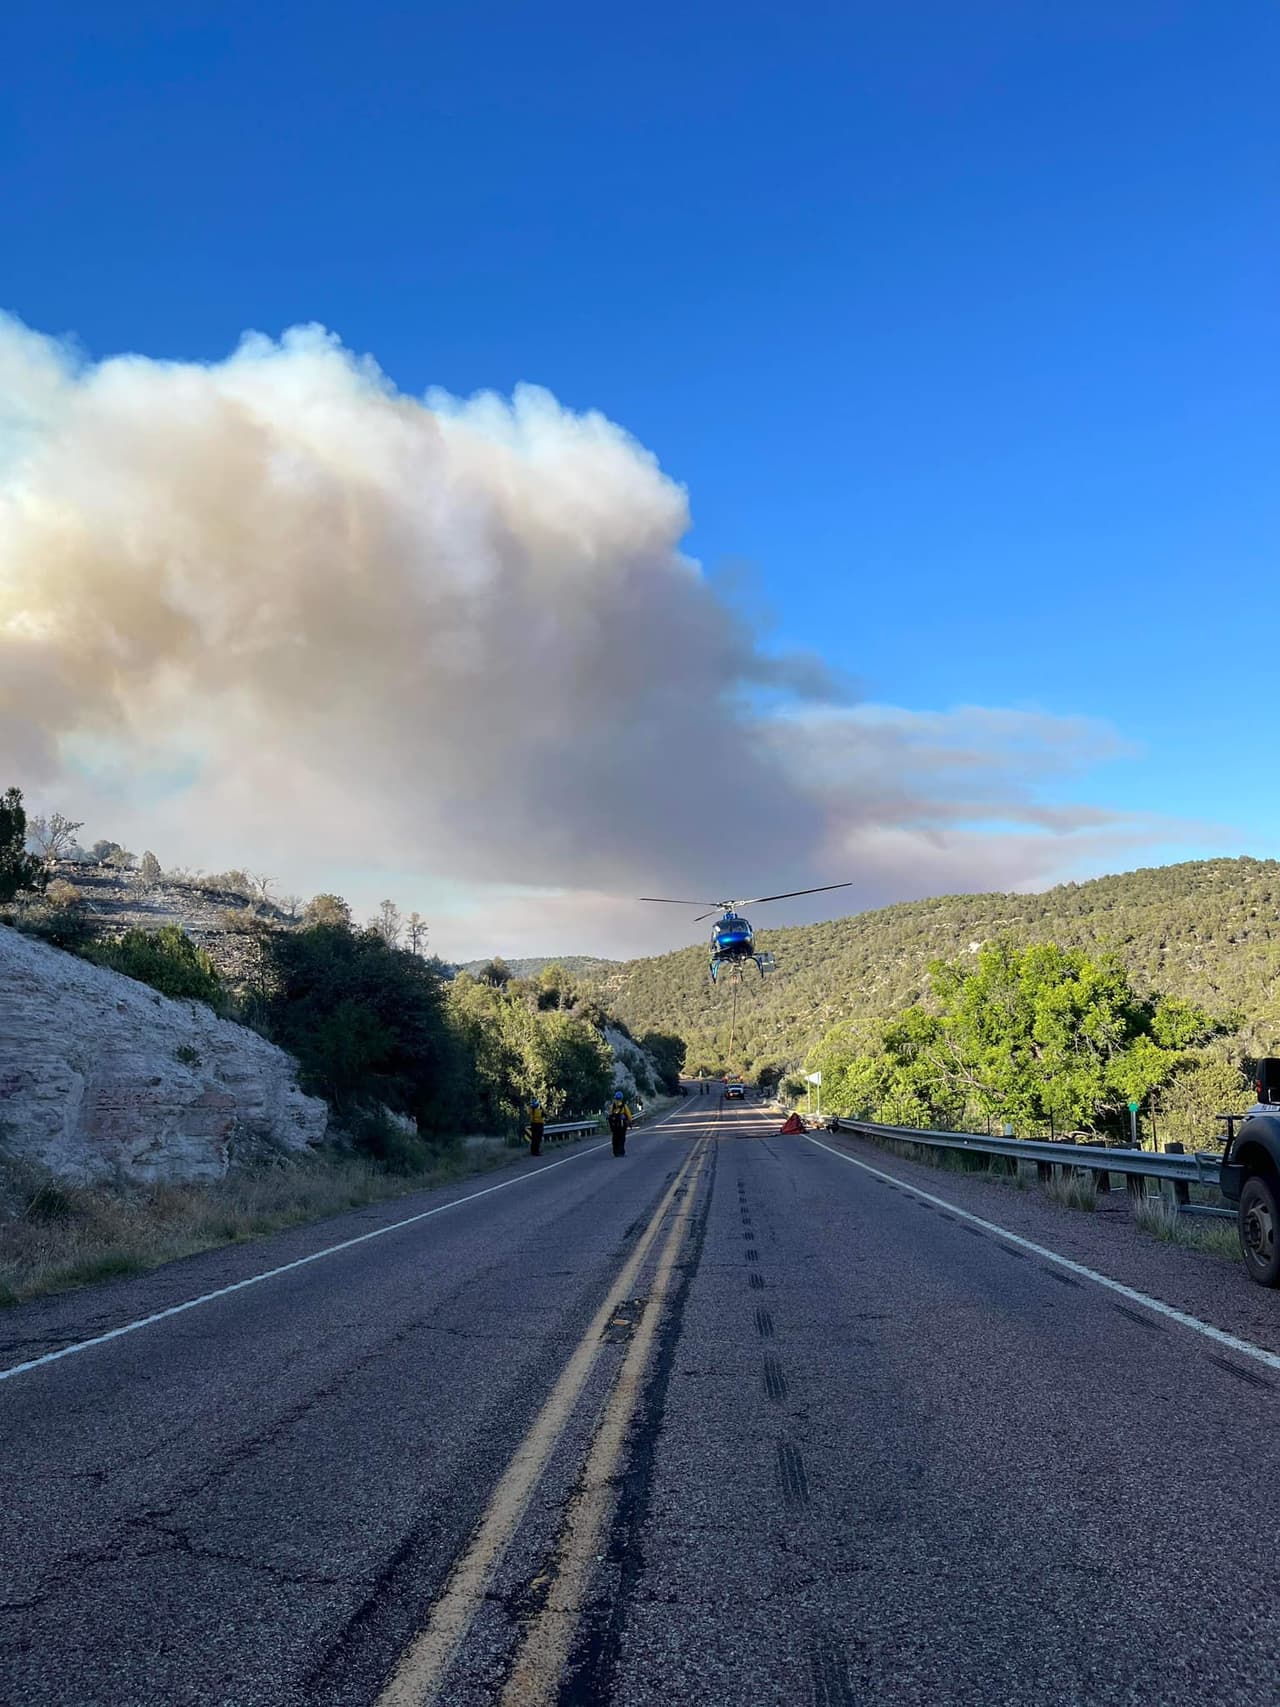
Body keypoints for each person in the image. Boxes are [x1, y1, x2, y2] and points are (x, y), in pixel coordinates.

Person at [607, 1092, 633, 1157]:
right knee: (622, 1138)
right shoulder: (624, 1106)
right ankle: (621, 1152)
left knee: (615, 1138)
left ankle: (615, 1152)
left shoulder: (612, 1106)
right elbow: (629, 1115)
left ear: (615, 1098)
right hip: (622, 1125)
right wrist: (630, 1122)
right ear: (621, 1098)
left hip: (614, 1126)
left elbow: (610, 1115)